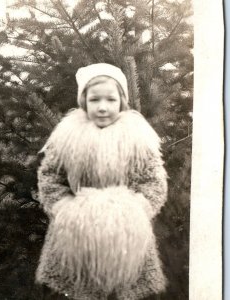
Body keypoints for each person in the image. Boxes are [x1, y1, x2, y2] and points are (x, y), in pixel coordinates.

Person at [35, 63, 168, 300]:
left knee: (126, 288)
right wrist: (64, 209)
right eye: (95, 100)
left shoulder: (137, 138)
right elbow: (49, 177)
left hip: (127, 235)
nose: (103, 107)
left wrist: (136, 210)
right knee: (72, 287)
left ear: (122, 102)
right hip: (74, 231)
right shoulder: (66, 138)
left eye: (111, 100)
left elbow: (154, 181)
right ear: (84, 101)